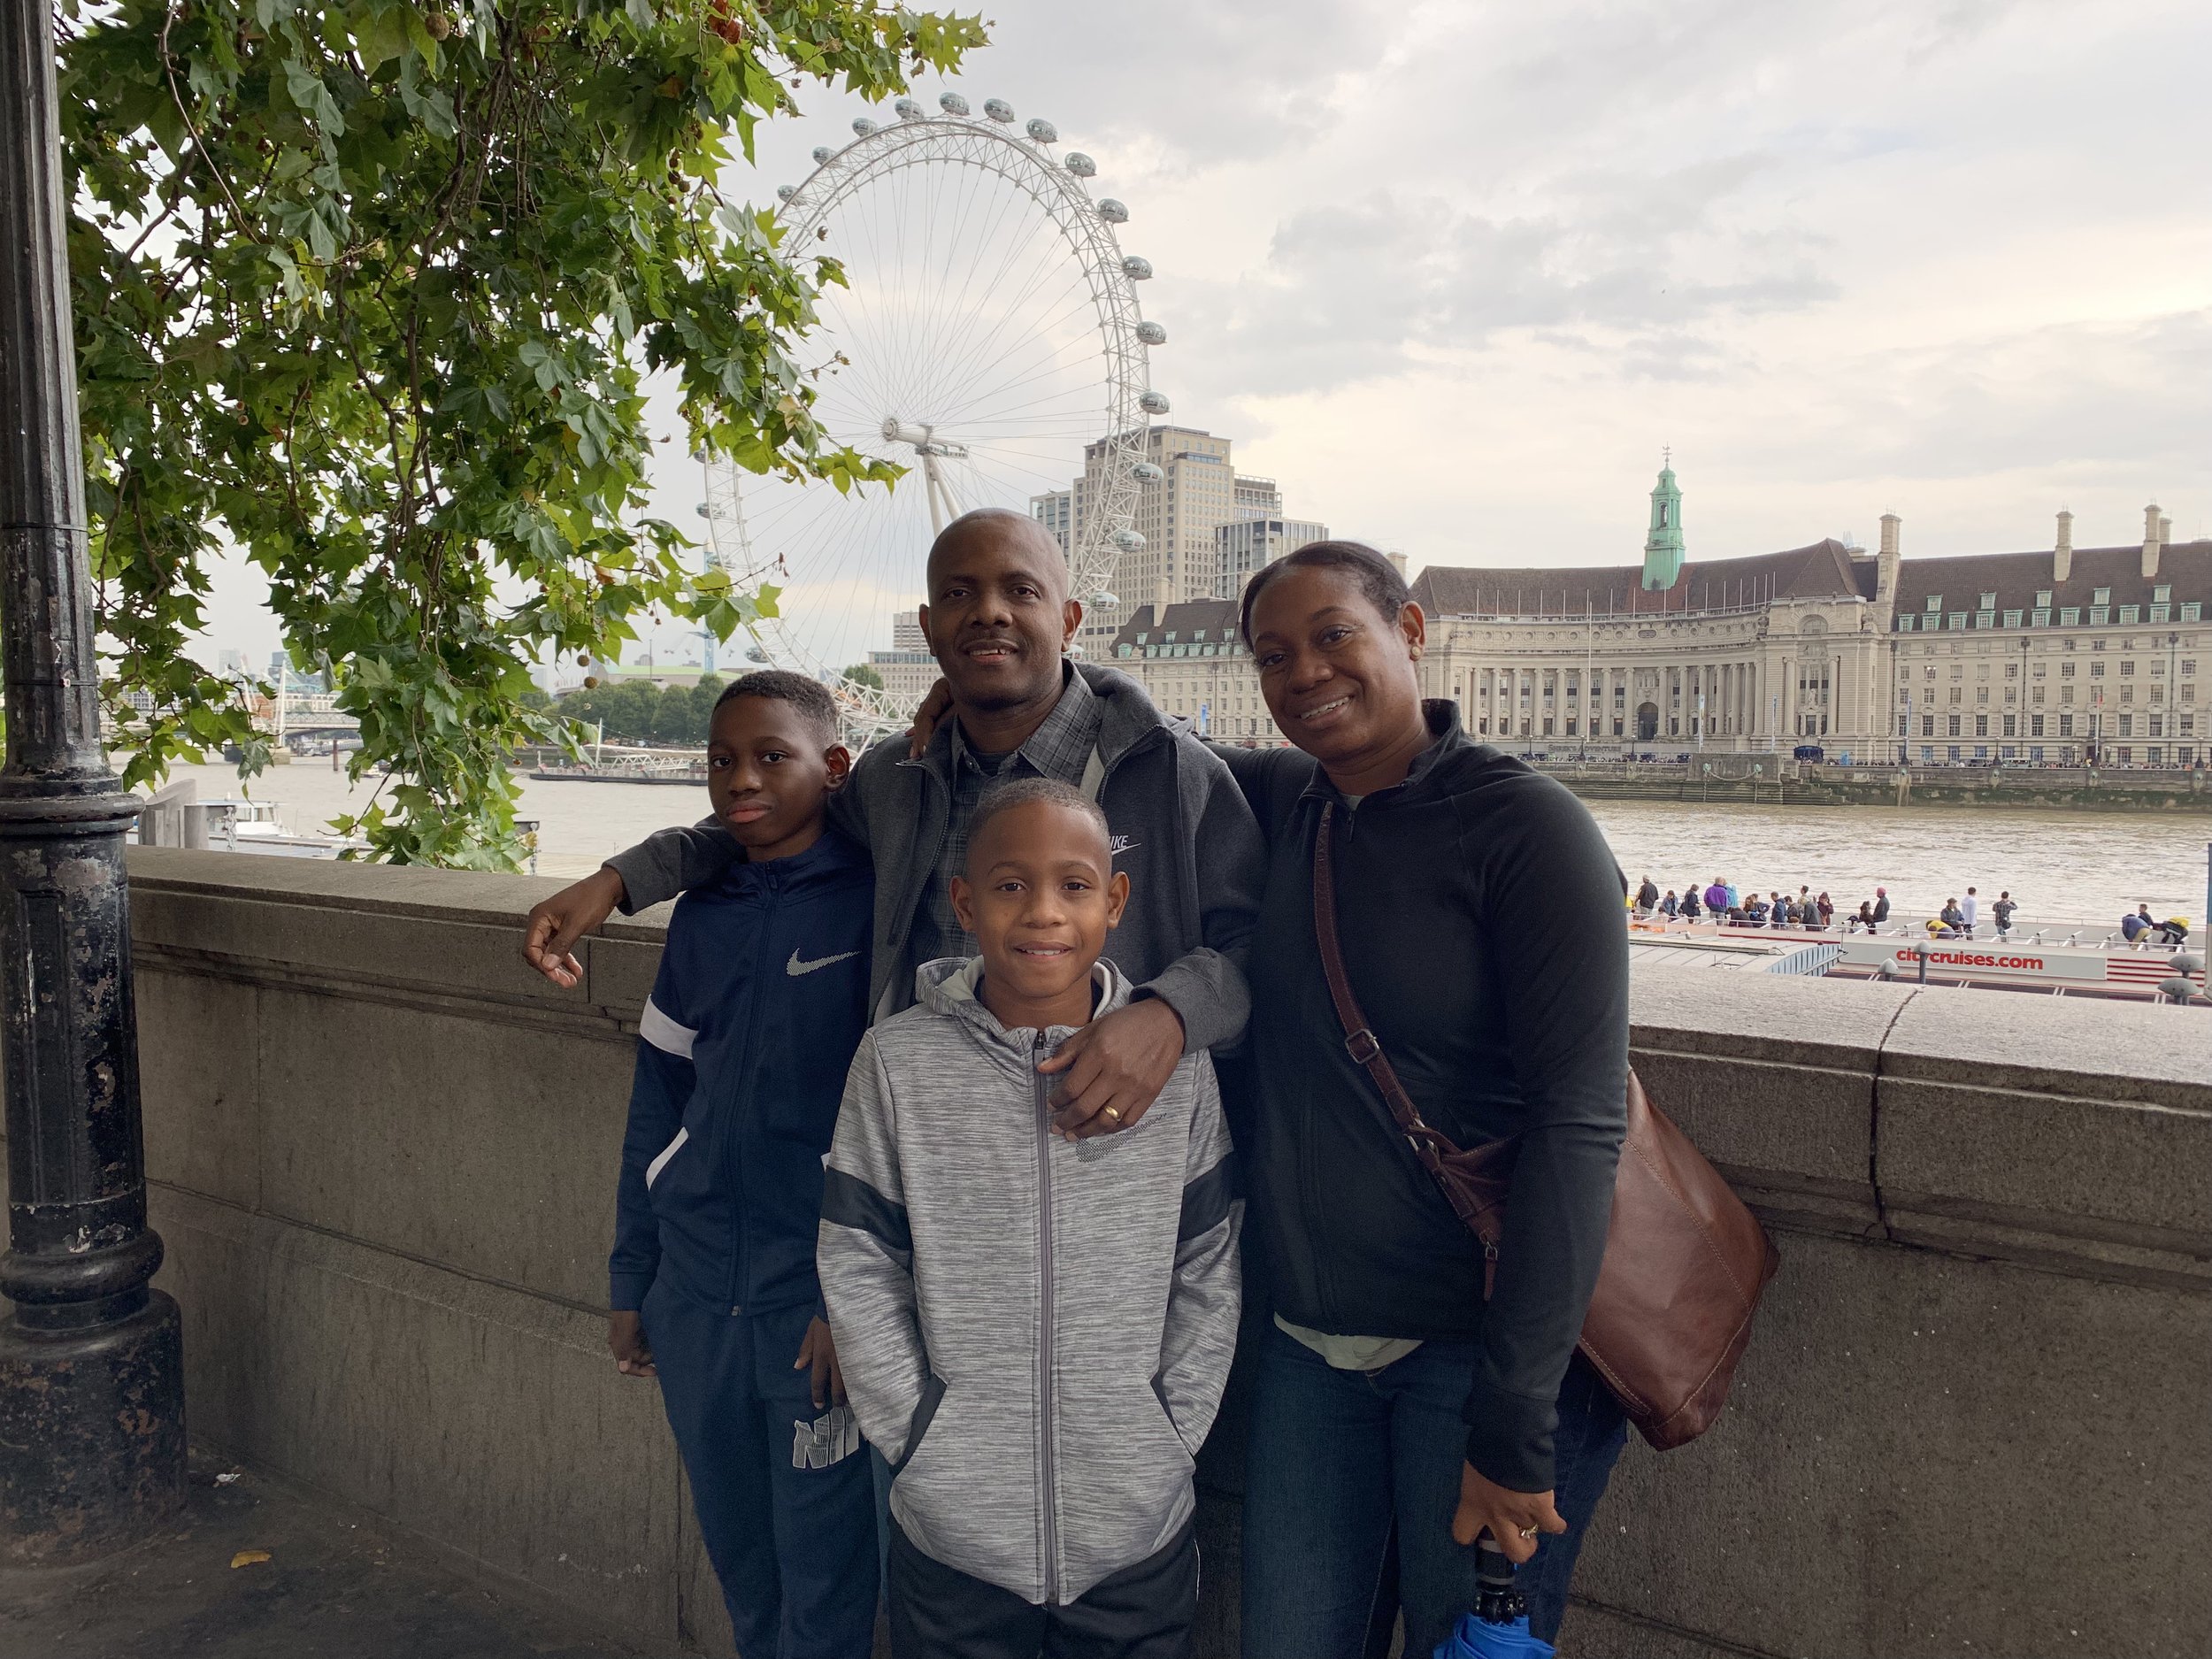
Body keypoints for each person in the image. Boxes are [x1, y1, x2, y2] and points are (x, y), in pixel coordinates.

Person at [521, 507, 1266, 1143]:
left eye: (1021, 590)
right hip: (924, 1145)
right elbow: (772, 821)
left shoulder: (1171, 773)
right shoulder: (894, 776)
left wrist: (1168, 1015)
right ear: (930, 627)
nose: (989, 612)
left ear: (1069, 619)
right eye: (958, 593)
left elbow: (1258, 944)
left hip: (1106, 1147)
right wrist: (622, 877)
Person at [1212, 542, 1630, 1655]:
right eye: (1272, 655)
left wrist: (1513, 1417)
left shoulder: (1526, 829)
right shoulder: (1280, 801)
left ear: (1409, 629)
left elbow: (1581, 1126)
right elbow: (1128, 750)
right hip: (1307, 1347)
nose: (1304, 673)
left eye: (1332, 636)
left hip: (1471, 1355)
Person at [818, 779, 1241, 1658]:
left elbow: (1208, 1265)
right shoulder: (897, 1062)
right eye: (1011, 886)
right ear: (964, 904)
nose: (1043, 912)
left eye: (1074, 886)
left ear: (1115, 901)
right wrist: (923, 1441)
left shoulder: (1176, 1073)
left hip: (1135, 1529)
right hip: (955, 1536)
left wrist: (1163, 1434)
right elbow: (860, 1264)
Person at [607, 672, 879, 1658]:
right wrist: (633, 1278)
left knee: (828, 1571)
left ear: (835, 768)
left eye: (772, 756)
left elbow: (895, 1131)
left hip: (809, 1310)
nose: (740, 780)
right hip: (690, 1303)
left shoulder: (875, 909)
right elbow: (659, 1105)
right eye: (722, 760)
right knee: (741, 1564)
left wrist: (850, 1297)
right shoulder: (702, 913)